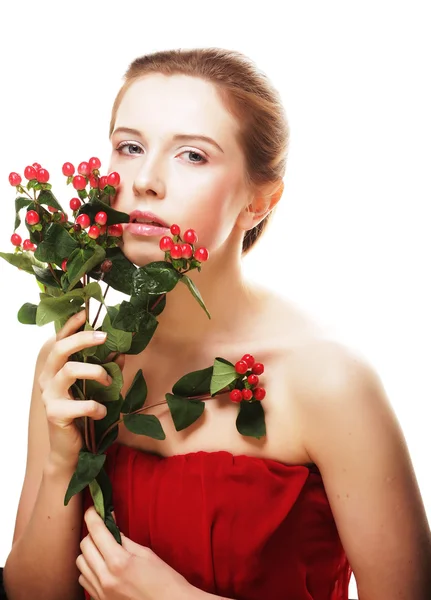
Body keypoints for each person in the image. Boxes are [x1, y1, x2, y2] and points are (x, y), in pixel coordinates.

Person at [2, 47, 431, 600]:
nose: (146, 180)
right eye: (129, 147)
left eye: (192, 156)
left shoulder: (328, 384)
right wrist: (63, 463)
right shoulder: (79, 358)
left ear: (260, 202)